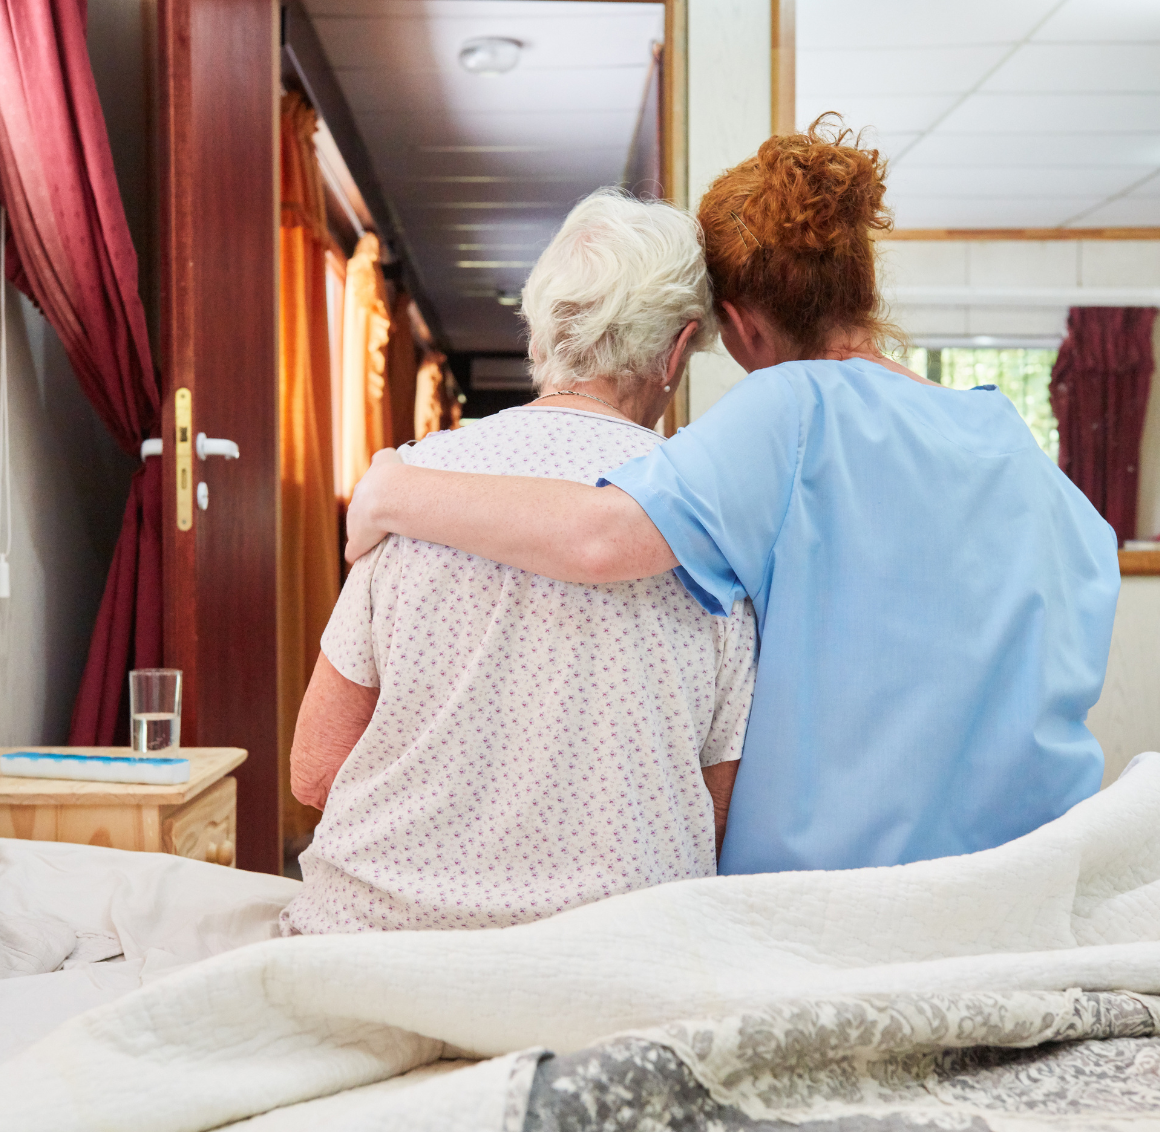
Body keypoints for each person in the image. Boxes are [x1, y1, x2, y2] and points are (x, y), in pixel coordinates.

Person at [343, 118, 1120, 877]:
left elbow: (598, 539)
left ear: (742, 327)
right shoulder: (1001, 430)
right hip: (1030, 875)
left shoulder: (794, 405)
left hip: (838, 901)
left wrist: (392, 490)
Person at [281, 189, 758, 935]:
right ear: (676, 351)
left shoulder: (411, 487)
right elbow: (720, 814)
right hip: (606, 964)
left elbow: (315, 770)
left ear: (541, 333)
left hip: (371, 949)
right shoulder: (708, 526)